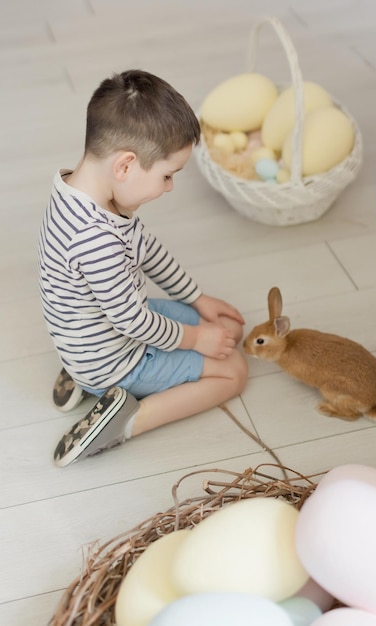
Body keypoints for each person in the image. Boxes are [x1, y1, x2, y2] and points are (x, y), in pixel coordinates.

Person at [38, 69, 248, 468]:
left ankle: (81, 371)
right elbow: (133, 322)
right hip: (117, 354)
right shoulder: (95, 239)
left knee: (229, 332)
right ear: (126, 166)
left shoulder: (81, 189)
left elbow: (145, 249)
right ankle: (124, 420)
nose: (169, 187)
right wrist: (193, 339)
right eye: (167, 175)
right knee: (233, 371)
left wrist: (197, 298)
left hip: (97, 330)